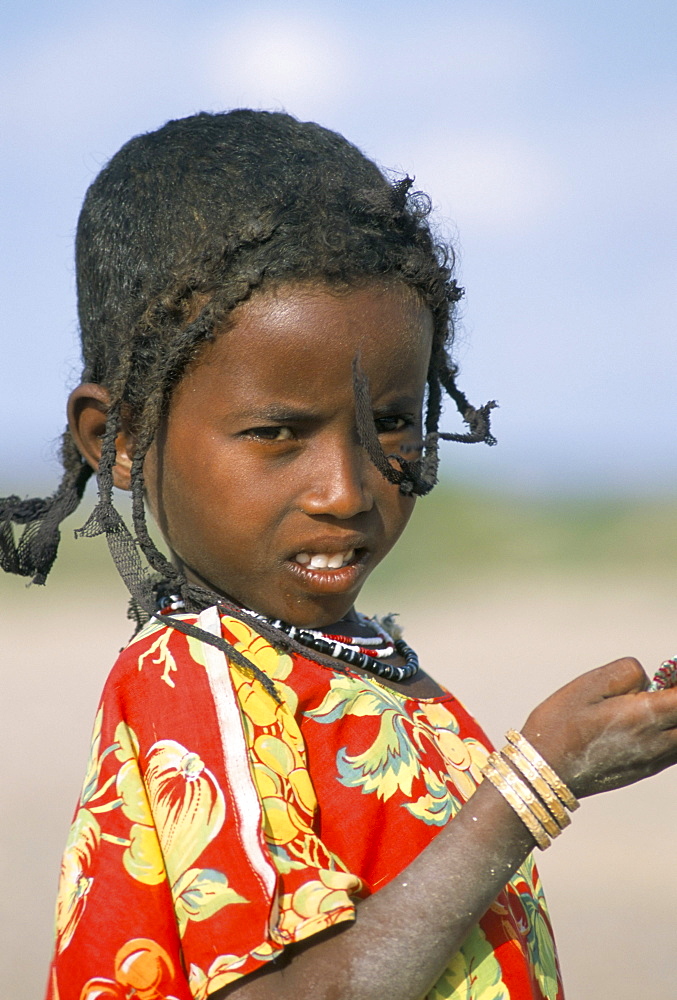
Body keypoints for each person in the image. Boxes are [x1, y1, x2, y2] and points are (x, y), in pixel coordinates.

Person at [2, 110, 676, 1000]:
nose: (346, 490)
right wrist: (535, 785)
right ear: (118, 436)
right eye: (277, 432)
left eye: (388, 423)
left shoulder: (354, 660)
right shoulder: (192, 677)